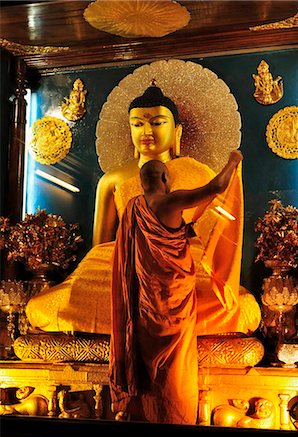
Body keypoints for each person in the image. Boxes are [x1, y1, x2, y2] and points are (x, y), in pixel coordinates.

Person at [26, 83, 261, 337]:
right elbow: (102, 245)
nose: (146, 131)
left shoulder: (197, 172)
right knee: (44, 306)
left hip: (180, 267)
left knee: (242, 306)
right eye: (137, 124)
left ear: (177, 131)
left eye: (157, 123)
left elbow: (212, 235)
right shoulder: (112, 179)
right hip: (122, 264)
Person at [110, 152, 243, 424]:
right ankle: (173, 419)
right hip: (174, 301)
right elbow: (216, 187)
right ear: (163, 178)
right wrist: (233, 160)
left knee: (148, 365)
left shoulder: (134, 208)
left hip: (143, 303)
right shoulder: (170, 201)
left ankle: (142, 418)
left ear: (140, 182)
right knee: (175, 366)